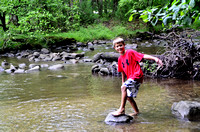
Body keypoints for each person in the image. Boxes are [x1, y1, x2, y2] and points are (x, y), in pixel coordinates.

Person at [112, 37, 163, 116]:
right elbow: (122, 72)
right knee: (128, 97)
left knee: (124, 88)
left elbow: (142, 56)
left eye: (120, 45)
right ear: (114, 48)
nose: (119, 47)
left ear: (124, 45)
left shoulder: (130, 52)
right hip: (131, 78)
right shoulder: (119, 59)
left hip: (137, 75)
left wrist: (155, 58)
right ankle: (136, 112)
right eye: (117, 46)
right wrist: (123, 82)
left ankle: (122, 109)